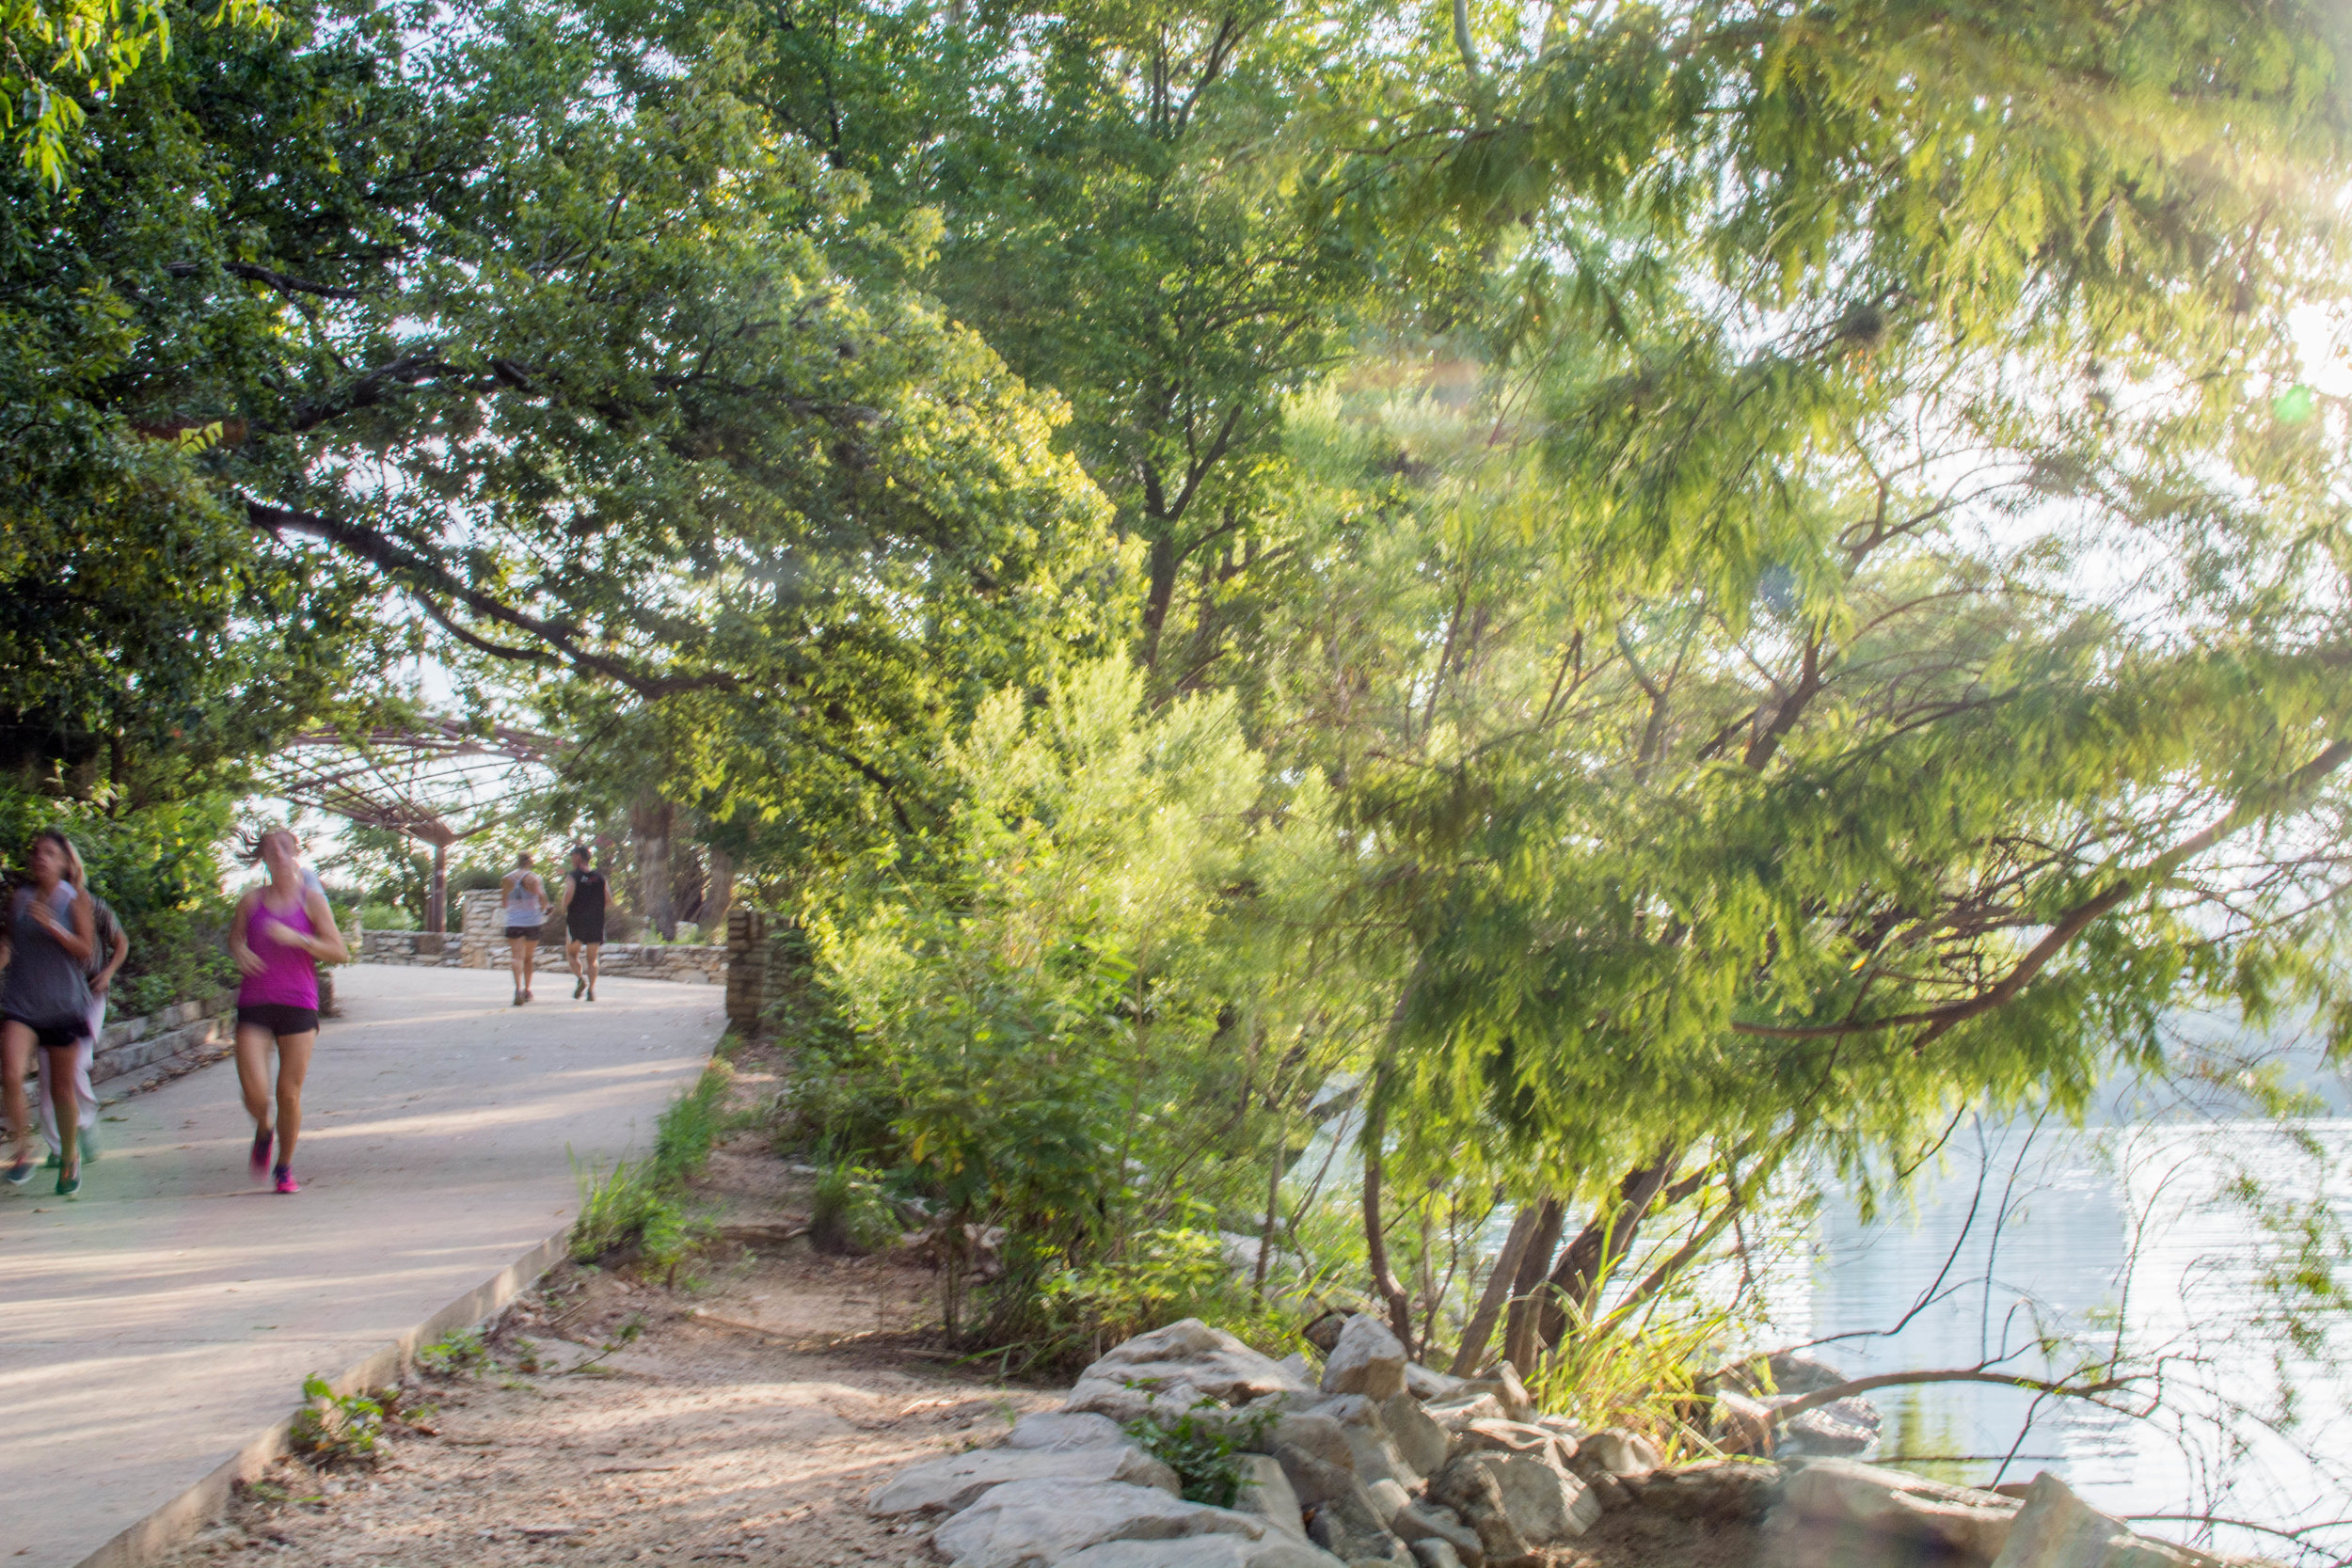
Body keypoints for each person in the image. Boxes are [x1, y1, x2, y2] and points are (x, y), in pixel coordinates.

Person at [230, 828, 348, 1194]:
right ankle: (264, 1129)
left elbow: (339, 951)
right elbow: (234, 939)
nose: (278, 853)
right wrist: (240, 951)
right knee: (254, 1091)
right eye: (270, 848)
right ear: (262, 857)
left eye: (284, 846)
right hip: (255, 1002)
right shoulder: (251, 902)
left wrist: (299, 939)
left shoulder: (312, 901)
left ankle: (284, 1166)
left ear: (295, 851)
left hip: (298, 1003)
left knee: (289, 1092)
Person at [1, 831, 98, 1196]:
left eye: (49, 852)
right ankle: (23, 1152)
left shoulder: (75, 900)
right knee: (10, 1073)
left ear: (64, 863)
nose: (40, 857)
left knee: (61, 1090)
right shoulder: (20, 898)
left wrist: (53, 926)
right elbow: (10, 943)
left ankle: (70, 1155)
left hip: (63, 1006)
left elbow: (85, 951)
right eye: (36, 852)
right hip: (21, 1004)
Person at [41, 841, 125, 1167]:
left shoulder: (94, 905)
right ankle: (59, 1146)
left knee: (75, 1065)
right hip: (53, 999)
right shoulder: (40, 905)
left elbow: (121, 943)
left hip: (90, 995)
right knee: (49, 1072)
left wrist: (108, 973)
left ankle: (85, 1125)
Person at [559, 844, 607, 1002]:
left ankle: (580, 978)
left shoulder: (573, 876)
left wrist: (563, 907)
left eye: (572, 857)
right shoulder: (600, 877)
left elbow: (568, 894)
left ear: (578, 857)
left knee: (572, 954)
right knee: (592, 959)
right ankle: (592, 991)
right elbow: (609, 899)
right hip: (595, 921)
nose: (571, 860)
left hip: (576, 921)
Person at [501, 851, 548, 1006]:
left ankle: (517, 989)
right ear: (530, 862)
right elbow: (541, 897)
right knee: (528, 957)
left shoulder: (506, 879)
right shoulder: (535, 878)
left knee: (516, 956)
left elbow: (504, 903)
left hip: (514, 921)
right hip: (532, 921)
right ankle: (527, 990)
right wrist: (546, 907)